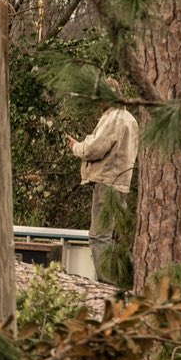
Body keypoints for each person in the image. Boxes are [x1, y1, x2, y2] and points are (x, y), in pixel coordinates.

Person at [71, 106, 140, 288]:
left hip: (107, 181)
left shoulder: (113, 119)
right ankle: (123, 280)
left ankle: (107, 283)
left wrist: (76, 146)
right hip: (121, 181)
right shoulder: (130, 119)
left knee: (99, 235)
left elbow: (94, 149)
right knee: (116, 235)